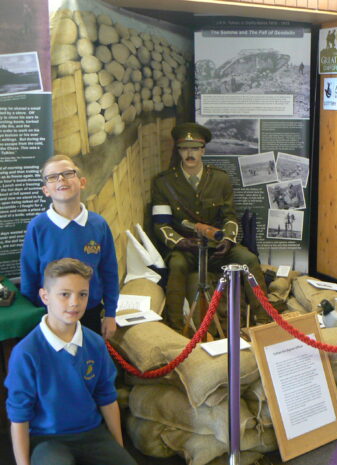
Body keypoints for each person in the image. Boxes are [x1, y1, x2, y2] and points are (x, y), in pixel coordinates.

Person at [5, 258, 136, 465]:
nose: (75, 302)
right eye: (64, 294)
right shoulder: (26, 353)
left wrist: (119, 450)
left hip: (91, 433)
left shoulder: (95, 343)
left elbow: (107, 398)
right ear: (45, 296)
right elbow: (19, 416)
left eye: (82, 294)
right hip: (47, 440)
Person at [151, 122, 269, 331]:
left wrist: (228, 239)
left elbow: (230, 217)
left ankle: (264, 320)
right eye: (184, 148)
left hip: (217, 246)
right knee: (177, 266)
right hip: (186, 247)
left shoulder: (220, 179)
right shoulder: (164, 183)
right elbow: (161, 225)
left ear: (203, 150)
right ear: (178, 151)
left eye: (195, 148)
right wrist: (180, 242)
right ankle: (176, 326)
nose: (190, 154)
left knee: (249, 260)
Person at [20, 155, 119, 339]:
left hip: (90, 313)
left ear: (82, 182)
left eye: (68, 173)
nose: (61, 179)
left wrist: (110, 314)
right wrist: (35, 317)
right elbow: (29, 278)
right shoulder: (37, 227)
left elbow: (109, 272)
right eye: (52, 177)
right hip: (50, 316)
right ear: (46, 190)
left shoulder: (99, 225)